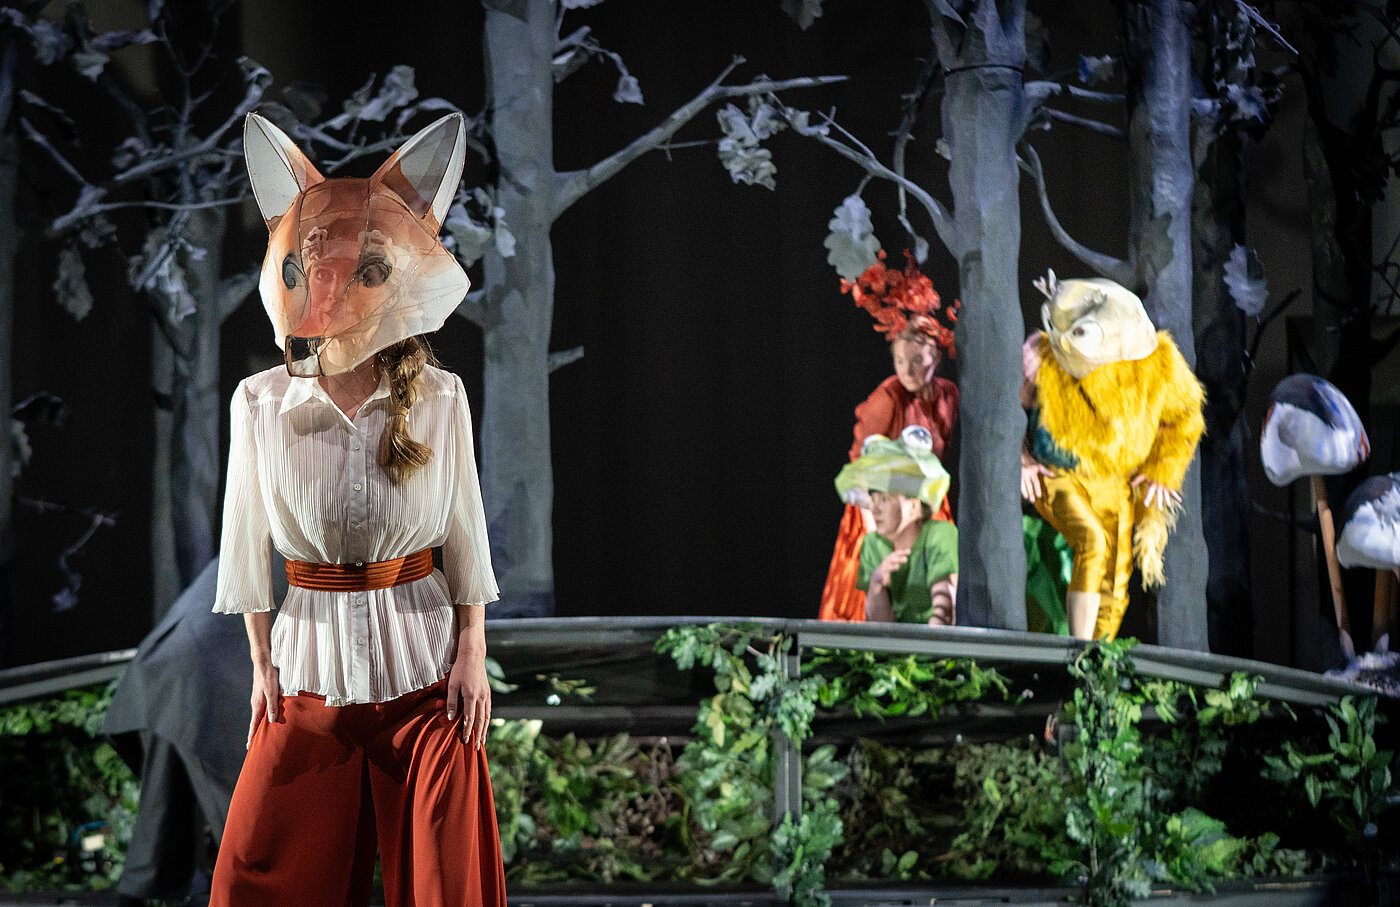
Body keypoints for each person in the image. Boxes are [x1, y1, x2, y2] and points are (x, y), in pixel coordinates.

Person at [209, 112, 505, 906]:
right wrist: (261, 664)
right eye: (317, 270)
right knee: (258, 876)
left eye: (360, 271)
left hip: (426, 679)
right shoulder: (259, 402)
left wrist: (472, 651)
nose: (333, 291)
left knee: (444, 887)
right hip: (308, 675)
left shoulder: (439, 395)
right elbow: (246, 541)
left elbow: (465, 534)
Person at [1018, 271, 1204, 641]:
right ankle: (1079, 650)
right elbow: (1008, 412)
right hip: (1059, 473)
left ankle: (1098, 655)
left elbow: (1185, 417)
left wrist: (1162, 469)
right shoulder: (1046, 358)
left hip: (1114, 480)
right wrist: (1021, 458)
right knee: (1091, 541)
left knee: (1116, 575)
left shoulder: (1155, 364)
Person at [819, 251, 959, 622]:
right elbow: (860, 473)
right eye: (900, 361)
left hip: (925, 505)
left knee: (937, 590)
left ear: (936, 359)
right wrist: (876, 537)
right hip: (879, 508)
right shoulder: (886, 399)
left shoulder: (948, 396)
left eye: (918, 361)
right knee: (874, 598)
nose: (907, 370)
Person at [835, 427, 959, 625]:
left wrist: (923, 644)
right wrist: (876, 584)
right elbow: (880, 626)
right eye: (873, 500)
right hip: (896, 645)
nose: (875, 509)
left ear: (914, 505)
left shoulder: (940, 534)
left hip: (933, 643)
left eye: (884, 499)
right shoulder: (872, 544)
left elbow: (944, 613)